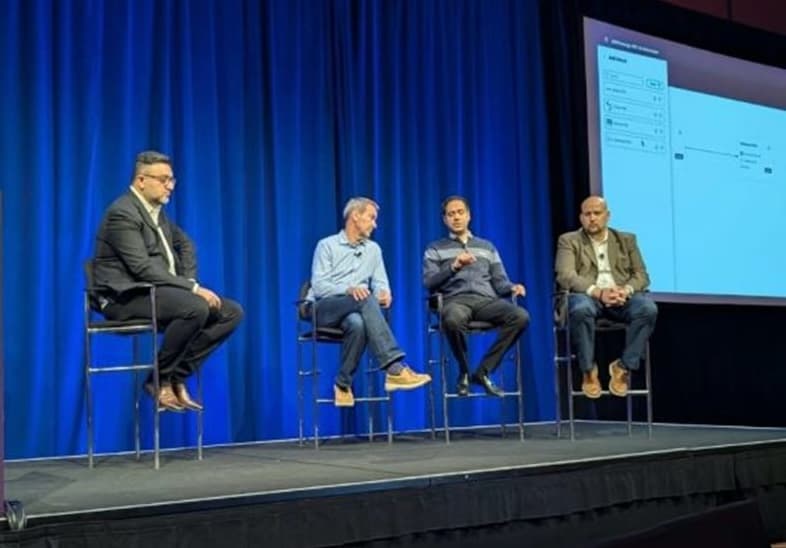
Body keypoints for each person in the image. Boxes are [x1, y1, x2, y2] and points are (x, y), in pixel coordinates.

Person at [92, 150, 244, 412]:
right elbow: (140, 267)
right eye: (163, 180)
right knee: (195, 307)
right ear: (141, 180)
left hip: (157, 293)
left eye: (172, 180)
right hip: (124, 297)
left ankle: (174, 375)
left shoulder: (156, 212)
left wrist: (188, 279)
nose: (170, 186)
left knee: (231, 312)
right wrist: (192, 289)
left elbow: (185, 244)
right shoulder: (123, 213)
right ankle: (160, 380)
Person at [308, 197, 431, 407]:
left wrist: (384, 294)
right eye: (371, 218)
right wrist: (348, 289)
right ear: (355, 216)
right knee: (363, 297)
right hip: (323, 308)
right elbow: (319, 286)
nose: (375, 224)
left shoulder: (373, 250)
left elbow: (381, 283)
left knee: (358, 323)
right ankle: (394, 367)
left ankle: (342, 384)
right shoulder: (326, 245)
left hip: (355, 309)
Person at [422, 196, 529, 397]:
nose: (456, 217)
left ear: (469, 216)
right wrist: (454, 267)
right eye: (451, 214)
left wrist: (512, 287)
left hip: (485, 301)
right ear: (445, 219)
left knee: (520, 316)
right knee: (453, 319)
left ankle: (483, 372)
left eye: (460, 212)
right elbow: (429, 282)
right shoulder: (435, 248)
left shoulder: (486, 247)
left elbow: (500, 281)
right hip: (455, 300)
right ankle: (463, 370)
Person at [554, 195, 657, 398]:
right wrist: (599, 293)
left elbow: (641, 275)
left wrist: (625, 290)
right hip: (588, 296)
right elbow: (565, 275)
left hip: (620, 298)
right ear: (581, 217)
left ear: (607, 216)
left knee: (648, 309)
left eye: (597, 213)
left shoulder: (626, 240)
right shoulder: (569, 240)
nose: (592, 218)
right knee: (581, 308)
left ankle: (623, 366)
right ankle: (588, 370)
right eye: (587, 214)